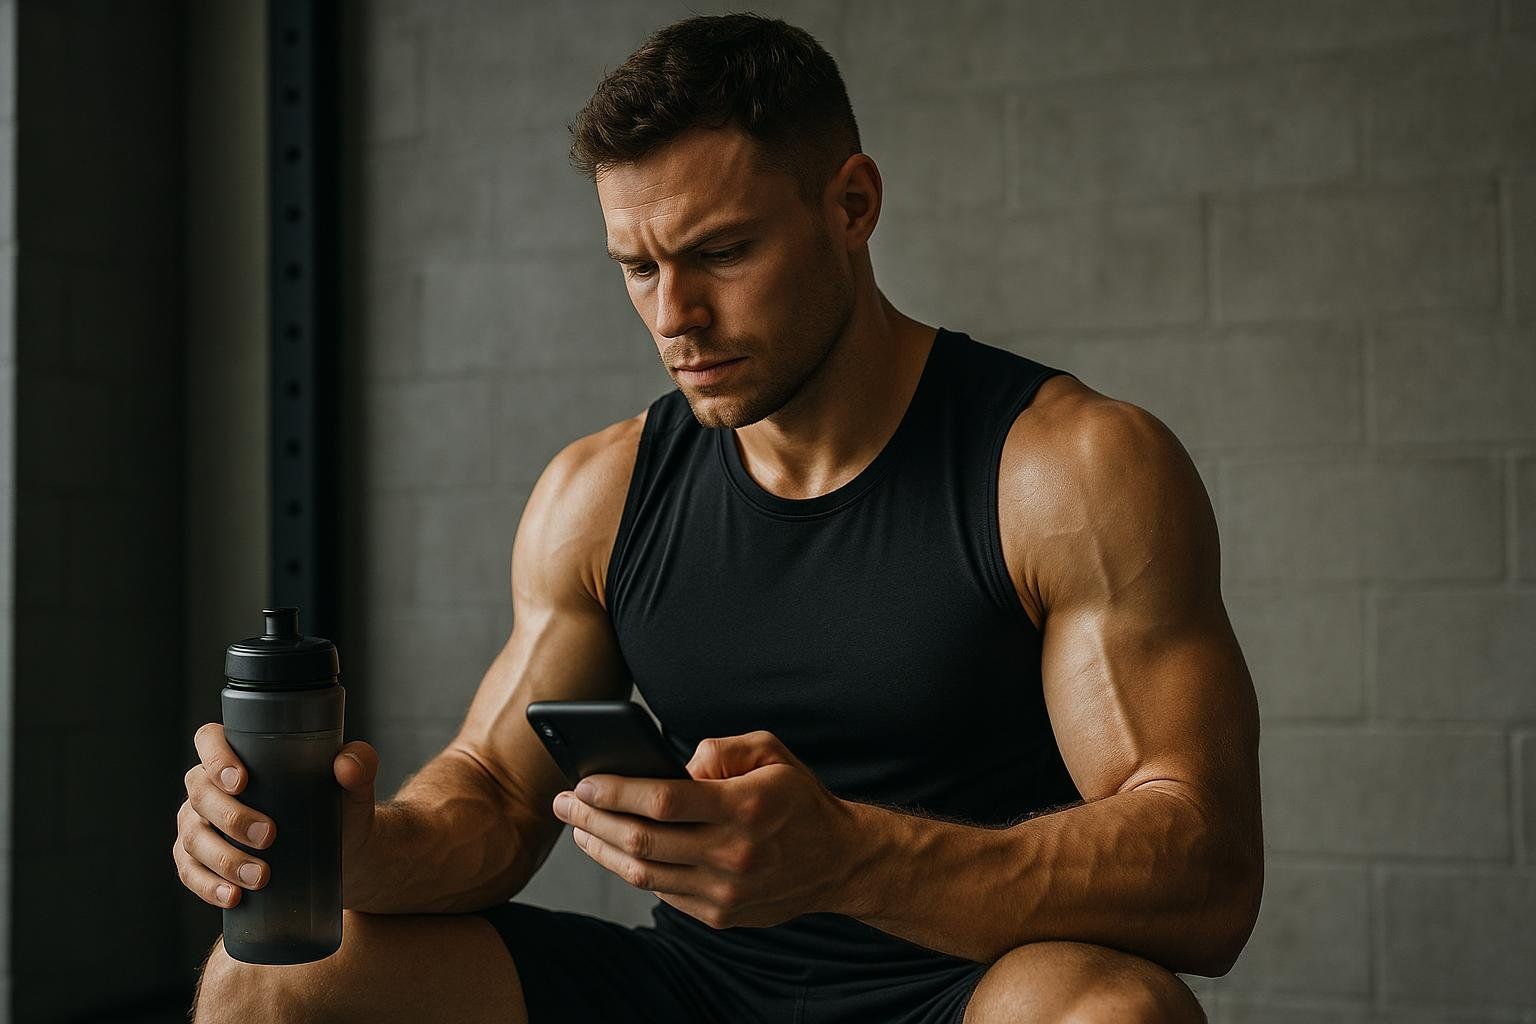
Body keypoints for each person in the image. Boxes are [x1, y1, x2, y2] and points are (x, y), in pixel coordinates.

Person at [176, 12, 1261, 1024]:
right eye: (638, 267)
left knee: (1110, 1013)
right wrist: (353, 849)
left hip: (971, 985)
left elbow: (1205, 871)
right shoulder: (601, 494)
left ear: (852, 205)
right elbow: (498, 797)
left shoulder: (1064, 469)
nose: (675, 316)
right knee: (268, 978)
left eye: (722, 253)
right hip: (693, 988)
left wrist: (851, 859)